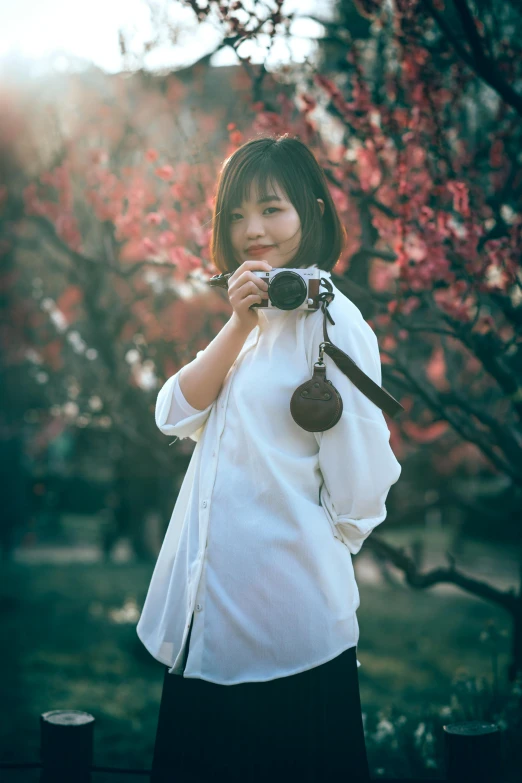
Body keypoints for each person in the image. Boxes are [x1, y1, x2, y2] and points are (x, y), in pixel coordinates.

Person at [138, 133, 402, 782]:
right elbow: (173, 412)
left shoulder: (332, 320)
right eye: (235, 214)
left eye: (271, 209)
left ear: (311, 211)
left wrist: (306, 544)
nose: (251, 229)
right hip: (209, 623)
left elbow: (363, 486)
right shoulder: (250, 322)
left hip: (291, 634)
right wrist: (236, 324)